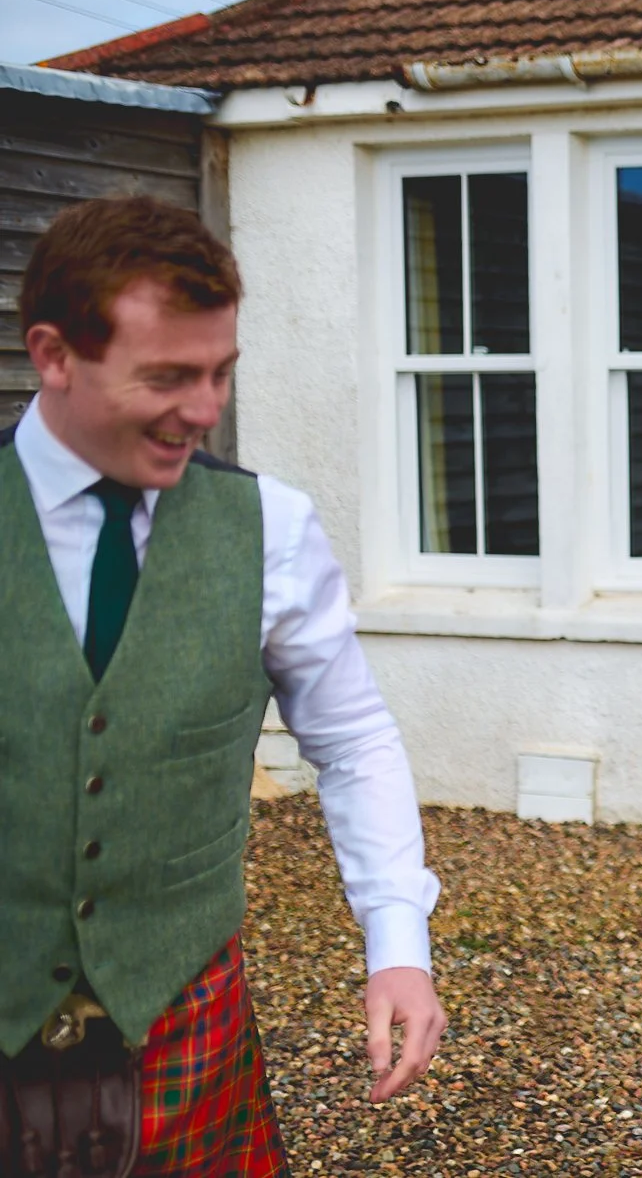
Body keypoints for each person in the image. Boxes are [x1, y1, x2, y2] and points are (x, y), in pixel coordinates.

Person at [1, 196, 445, 1175]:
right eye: (167, 377)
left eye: (218, 375)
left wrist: (397, 940)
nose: (203, 411)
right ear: (54, 355)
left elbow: (351, 735)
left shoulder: (273, 530)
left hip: (183, 1030)